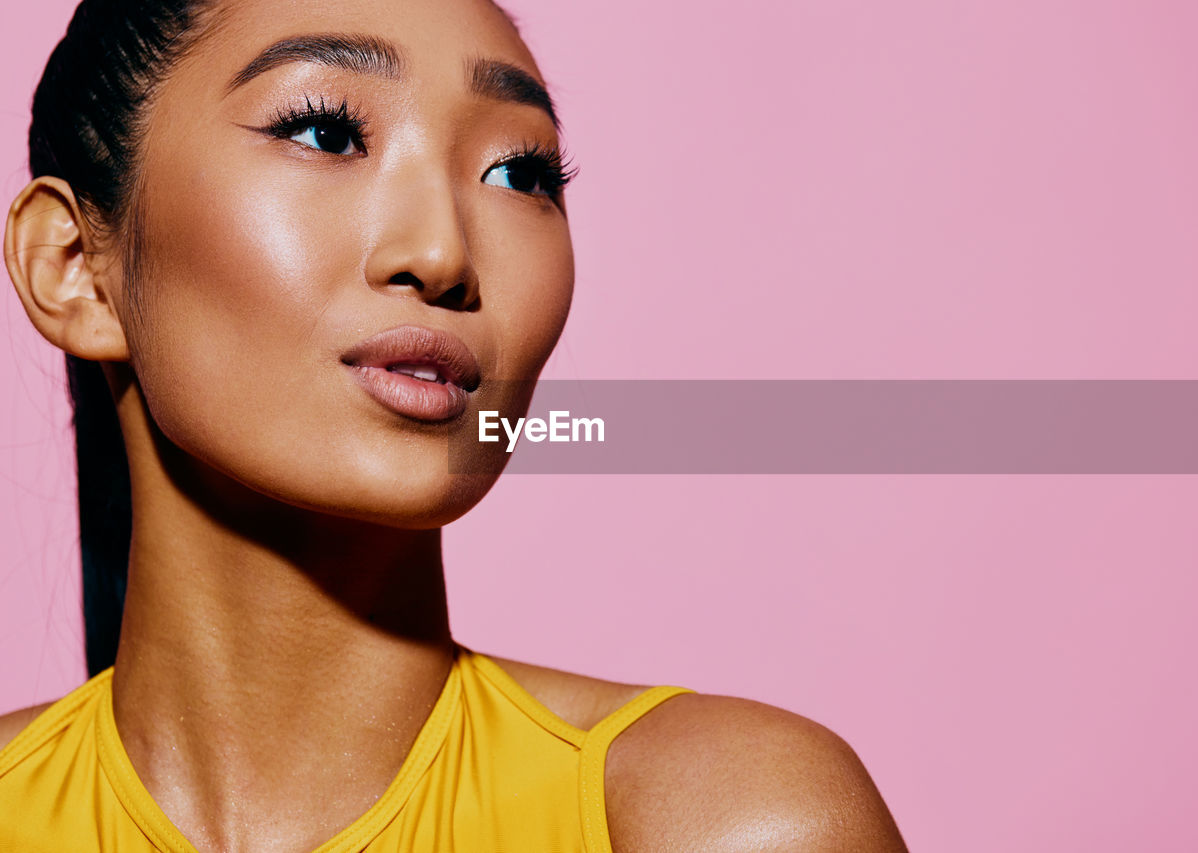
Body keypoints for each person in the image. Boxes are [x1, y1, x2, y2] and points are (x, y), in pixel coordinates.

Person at [0, 0, 909, 849]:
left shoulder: (718, 820)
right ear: (75, 265)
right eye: (326, 131)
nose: (441, 254)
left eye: (520, 173)